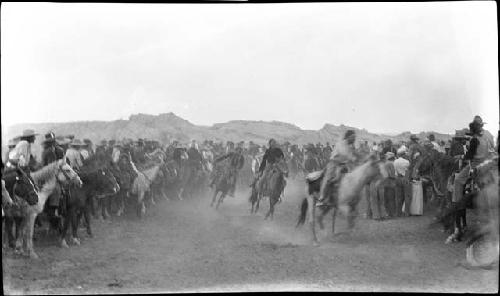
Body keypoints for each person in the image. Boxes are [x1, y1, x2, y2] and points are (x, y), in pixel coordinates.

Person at [453, 116, 495, 207]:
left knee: (458, 180)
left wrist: (461, 156)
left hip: (475, 164)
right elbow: (491, 150)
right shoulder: (486, 136)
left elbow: (470, 155)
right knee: (484, 185)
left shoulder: (474, 139)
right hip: (485, 164)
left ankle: (457, 203)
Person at [317, 130, 362, 206]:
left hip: (344, 164)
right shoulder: (341, 144)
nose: (354, 139)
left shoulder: (350, 146)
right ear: (348, 137)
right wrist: (353, 158)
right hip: (334, 163)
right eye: (353, 137)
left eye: (354, 137)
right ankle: (322, 198)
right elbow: (345, 154)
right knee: (328, 179)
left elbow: (353, 155)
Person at [394, 149, 411, 216]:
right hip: (405, 178)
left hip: (398, 178)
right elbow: (407, 171)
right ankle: (406, 212)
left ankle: (398, 212)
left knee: (398, 196)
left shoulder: (395, 161)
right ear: (403, 154)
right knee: (407, 196)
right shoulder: (407, 161)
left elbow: (395, 171)